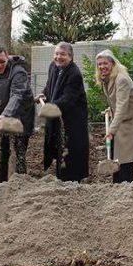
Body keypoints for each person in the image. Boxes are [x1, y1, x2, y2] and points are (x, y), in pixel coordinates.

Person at [37, 42, 89, 182]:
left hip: (72, 121)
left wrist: (50, 107)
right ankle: (61, 177)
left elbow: (67, 98)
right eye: (57, 54)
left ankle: (74, 181)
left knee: (71, 150)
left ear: (70, 57)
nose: (58, 57)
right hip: (58, 118)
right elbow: (49, 87)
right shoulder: (53, 67)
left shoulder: (74, 74)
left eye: (63, 54)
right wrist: (43, 94)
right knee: (58, 148)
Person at [0, 45, 35, 182]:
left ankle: (20, 183)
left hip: (21, 116)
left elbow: (17, 95)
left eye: (2, 61)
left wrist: (6, 115)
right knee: (3, 150)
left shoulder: (18, 73)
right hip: (3, 115)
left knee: (19, 152)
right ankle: (2, 182)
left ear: (7, 57)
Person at [95, 49, 133, 183]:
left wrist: (111, 130)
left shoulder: (121, 79)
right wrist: (110, 109)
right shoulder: (107, 79)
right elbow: (116, 101)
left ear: (112, 63)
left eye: (105, 63)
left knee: (124, 156)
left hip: (131, 120)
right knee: (116, 154)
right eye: (99, 64)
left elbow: (122, 106)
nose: (102, 67)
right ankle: (117, 184)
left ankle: (126, 184)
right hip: (121, 117)